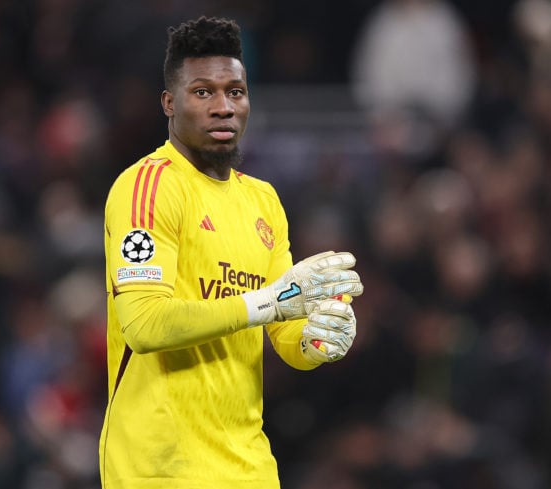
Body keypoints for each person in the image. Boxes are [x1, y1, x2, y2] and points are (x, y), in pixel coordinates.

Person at [99, 16, 364, 489]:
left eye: (235, 92)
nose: (223, 107)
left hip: (249, 469)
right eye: (203, 92)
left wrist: (317, 340)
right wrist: (266, 303)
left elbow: (285, 332)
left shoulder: (262, 200)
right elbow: (143, 324)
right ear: (169, 103)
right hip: (159, 470)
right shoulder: (148, 187)